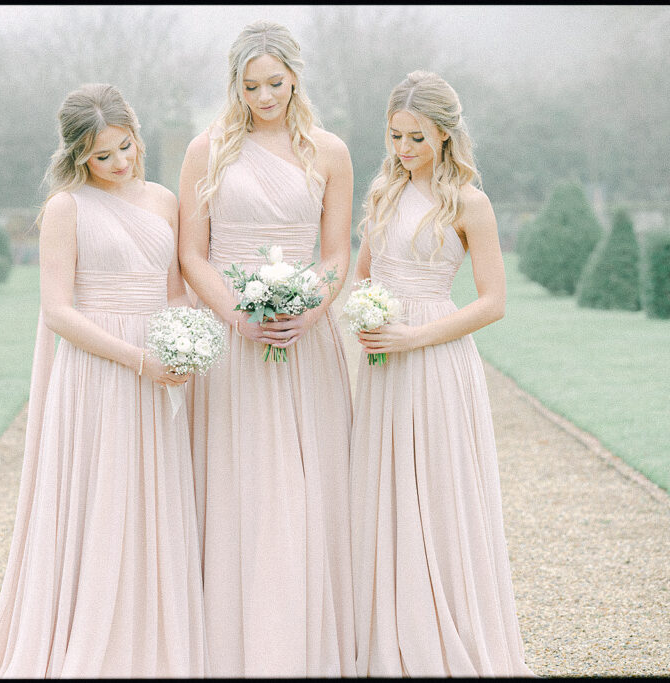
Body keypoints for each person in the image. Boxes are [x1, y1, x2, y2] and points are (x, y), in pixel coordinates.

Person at [0, 83, 206, 678]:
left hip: (157, 368)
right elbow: (58, 311)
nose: (120, 163)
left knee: (152, 500)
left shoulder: (164, 199)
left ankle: (150, 638)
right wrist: (136, 358)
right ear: (78, 158)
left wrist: (184, 342)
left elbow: (174, 287)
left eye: (126, 146)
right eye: (104, 156)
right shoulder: (66, 209)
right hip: (99, 372)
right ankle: (91, 634)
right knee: (101, 498)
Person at [177, 19, 356, 677]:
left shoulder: (330, 151)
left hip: (304, 339)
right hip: (231, 338)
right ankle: (227, 641)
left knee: (303, 487)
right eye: (250, 86)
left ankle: (302, 639)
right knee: (234, 478)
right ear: (236, 84)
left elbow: (337, 254)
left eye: (274, 83)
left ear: (294, 78)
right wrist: (237, 316)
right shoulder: (209, 149)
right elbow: (191, 254)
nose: (263, 97)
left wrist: (309, 308)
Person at [349, 70, 534, 677]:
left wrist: (412, 337)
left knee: (437, 489)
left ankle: (446, 630)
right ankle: (390, 634)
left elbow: (492, 302)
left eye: (417, 139)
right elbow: (363, 274)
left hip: (434, 357)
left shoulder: (469, 203)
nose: (404, 151)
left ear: (447, 137)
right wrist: (358, 312)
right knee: (384, 489)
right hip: (381, 362)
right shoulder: (383, 190)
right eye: (396, 137)